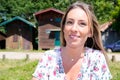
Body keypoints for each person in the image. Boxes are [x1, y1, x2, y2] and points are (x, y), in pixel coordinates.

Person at [32, 1, 112, 80]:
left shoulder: (96, 59)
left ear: (90, 32)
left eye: (82, 24)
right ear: (63, 28)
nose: (74, 29)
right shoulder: (48, 58)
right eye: (70, 22)